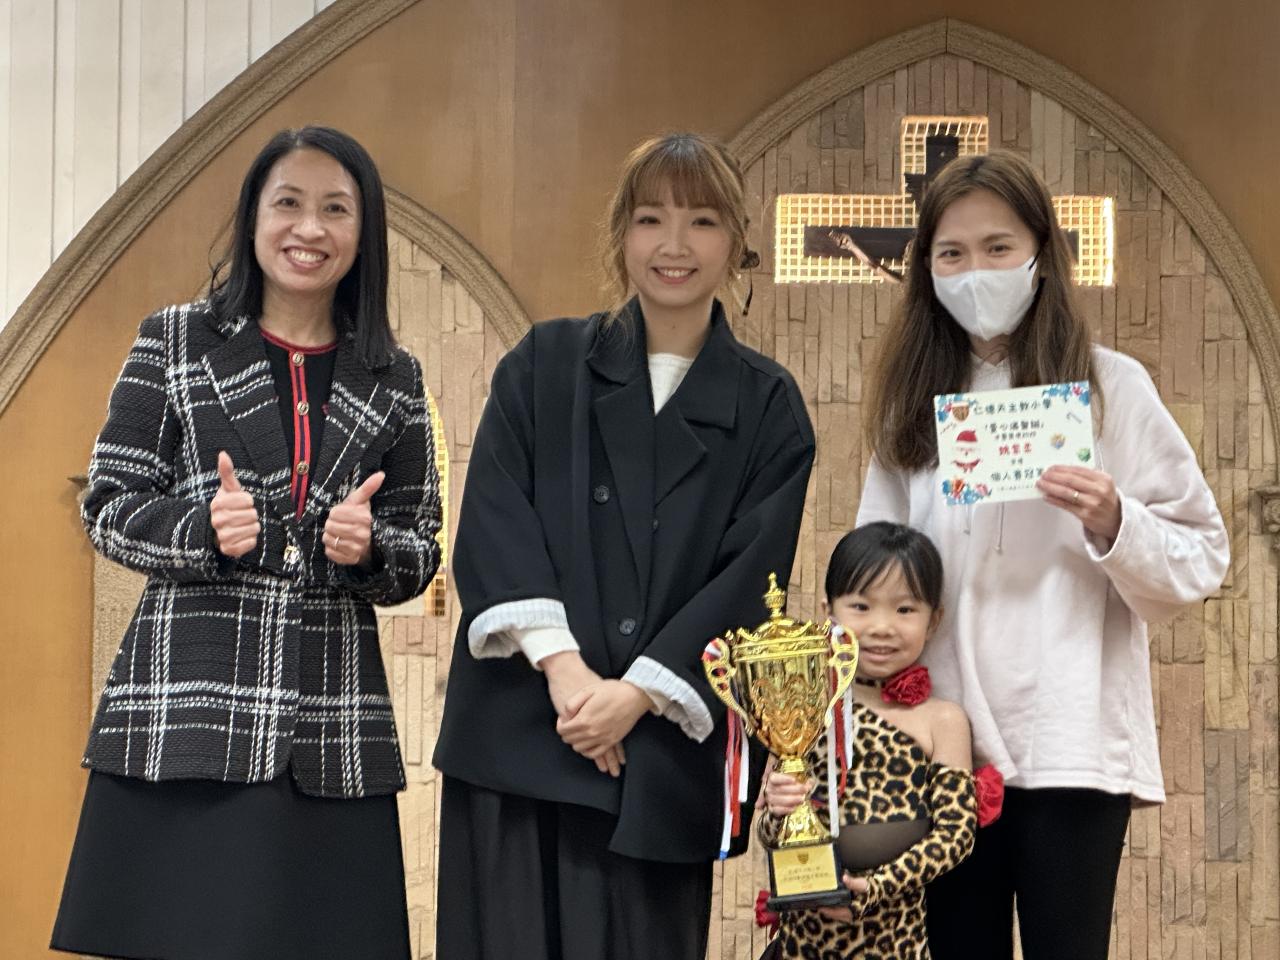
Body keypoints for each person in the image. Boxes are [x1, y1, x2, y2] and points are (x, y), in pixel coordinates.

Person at [51, 126, 442, 960]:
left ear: (364, 231)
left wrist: (371, 550)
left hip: (332, 732)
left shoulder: (396, 377)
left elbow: (420, 548)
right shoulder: (174, 340)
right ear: (253, 218)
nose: (310, 229)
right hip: (185, 717)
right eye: (288, 203)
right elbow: (109, 504)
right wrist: (200, 529)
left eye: (336, 209)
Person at [432, 132, 816, 960]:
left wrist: (635, 696)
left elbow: (749, 582)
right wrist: (569, 676)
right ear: (620, 235)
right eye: (650, 219)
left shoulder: (768, 408)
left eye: (702, 221)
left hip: (657, 759)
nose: (674, 245)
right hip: (521, 733)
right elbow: (495, 520)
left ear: (736, 241)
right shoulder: (544, 365)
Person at [856, 150, 1229, 960]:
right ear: (926, 270)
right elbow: (871, 570)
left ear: (1042, 255)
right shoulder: (911, 407)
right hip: (944, 744)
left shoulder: (1111, 389)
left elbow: (1203, 553)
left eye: (999, 248)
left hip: (1070, 735)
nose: (976, 272)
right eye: (952, 254)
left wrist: (1116, 520)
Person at [758, 521, 984, 960]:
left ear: (934, 619)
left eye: (905, 609)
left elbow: (957, 834)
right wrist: (779, 810)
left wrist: (876, 887)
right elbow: (769, 833)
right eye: (861, 606)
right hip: (801, 945)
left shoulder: (942, 720)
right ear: (829, 612)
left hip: (896, 943)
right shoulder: (800, 711)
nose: (882, 627)